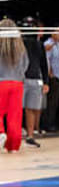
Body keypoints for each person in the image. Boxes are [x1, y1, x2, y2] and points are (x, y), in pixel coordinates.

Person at [0, 18, 28, 152]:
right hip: (17, 84)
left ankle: (0, 133)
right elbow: (25, 65)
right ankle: (13, 145)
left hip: (1, 82)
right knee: (15, 116)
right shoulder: (21, 48)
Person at [20, 18, 45, 147]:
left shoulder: (39, 44)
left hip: (34, 79)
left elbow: (43, 64)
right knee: (21, 108)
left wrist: (45, 82)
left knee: (31, 108)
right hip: (20, 79)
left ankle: (30, 136)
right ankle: (16, 133)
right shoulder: (19, 44)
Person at [42, 27, 59, 132]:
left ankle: (51, 122)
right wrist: (50, 74)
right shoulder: (48, 44)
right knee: (50, 102)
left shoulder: (58, 44)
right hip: (52, 76)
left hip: (58, 75)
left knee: (55, 102)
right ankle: (47, 124)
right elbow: (46, 59)